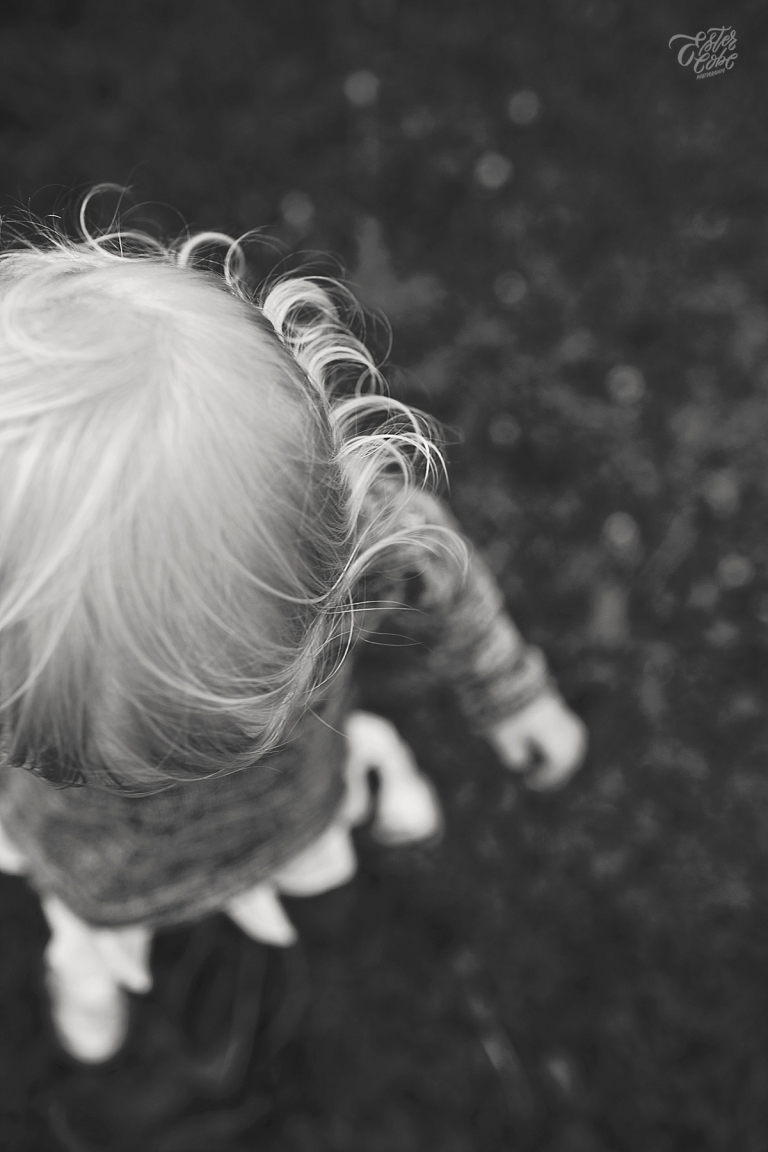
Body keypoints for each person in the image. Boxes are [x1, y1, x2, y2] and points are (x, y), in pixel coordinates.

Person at [0, 204, 587, 1063]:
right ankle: (90, 968)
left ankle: (367, 771)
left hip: (292, 811)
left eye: (225, 740)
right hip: (97, 877)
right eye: (72, 761)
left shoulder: (369, 549)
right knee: (91, 940)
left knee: (318, 847)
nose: (158, 787)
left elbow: (449, 585)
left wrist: (511, 693)